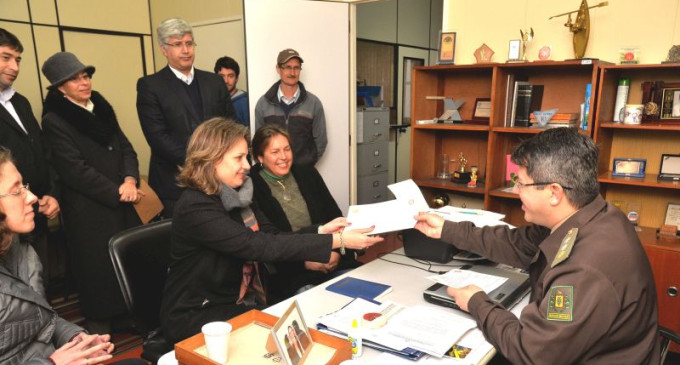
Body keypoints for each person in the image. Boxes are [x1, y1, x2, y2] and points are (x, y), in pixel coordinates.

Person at [414, 128, 660, 364]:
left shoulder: (585, 268)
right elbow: (517, 244)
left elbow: (532, 354)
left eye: (521, 183)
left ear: (554, 192)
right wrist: (446, 229)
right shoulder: (594, 213)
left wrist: (477, 302)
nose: (515, 190)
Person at [159, 118, 382, 344]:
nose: (247, 166)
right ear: (211, 160)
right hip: (199, 313)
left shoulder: (239, 195)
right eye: (238, 158)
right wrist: (336, 240)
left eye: (246, 157)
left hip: (241, 301)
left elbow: (272, 236)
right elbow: (257, 246)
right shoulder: (195, 206)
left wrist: (322, 230)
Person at [0, 147, 147, 365]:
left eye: (25, 186)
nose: (32, 197)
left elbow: (40, 319)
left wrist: (74, 337)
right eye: (16, 191)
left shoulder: (20, 249)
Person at [41, 52, 144, 333]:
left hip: (123, 197)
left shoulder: (100, 106)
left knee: (127, 262)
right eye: (74, 79)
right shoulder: (55, 119)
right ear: (59, 88)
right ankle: (101, 325)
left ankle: (127, 315)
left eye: (85, 76)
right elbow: (74, 171)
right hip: (89, 208)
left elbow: (126, 148)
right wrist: (116, 191)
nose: (83, 82)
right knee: (97, 269)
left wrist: (131, 180)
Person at [137, 18, 236, 217]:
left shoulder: (214, 81)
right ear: (164, 49)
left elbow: (230, 125)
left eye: (189, 43)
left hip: (218, 182)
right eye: (177, 44)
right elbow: (158, 138)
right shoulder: (151, 86)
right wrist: (203, 163)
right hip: (175, 184)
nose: (185, 50)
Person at [251, 124, 360, 299]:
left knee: (362, 293)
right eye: (275, 152)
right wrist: (305, 263)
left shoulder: (307, 173)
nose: (284, 157)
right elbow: (267, 242)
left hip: (333, 258)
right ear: (260, 157)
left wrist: (336, 252)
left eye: (287, 149)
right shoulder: (252, 186)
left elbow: (335, 216)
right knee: (316, 306)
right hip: (292, 273)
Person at [0, 28, 59, 279]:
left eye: (18, 59)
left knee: (38, 284)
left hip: (37, 211)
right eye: (6, 57)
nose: (14, 66)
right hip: (6, 225)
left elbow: (44, 152)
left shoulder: (20, 101)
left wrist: (51, 194)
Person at [254, 48, 326, 166]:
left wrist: (308, 163)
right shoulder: (263, 104)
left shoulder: (314, 103)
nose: (292, 73)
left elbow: (321, 141)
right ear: (278, 69)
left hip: (304, 173)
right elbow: (259, 142)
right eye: (287, 67)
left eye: (296, 68)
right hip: (274, 172)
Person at [214, 56, 249, 127]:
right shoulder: (212, 101)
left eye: (230, 76)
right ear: (215, 77)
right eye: (222, 76)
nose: (226, 81)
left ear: (236, 78)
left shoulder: (245, 102)